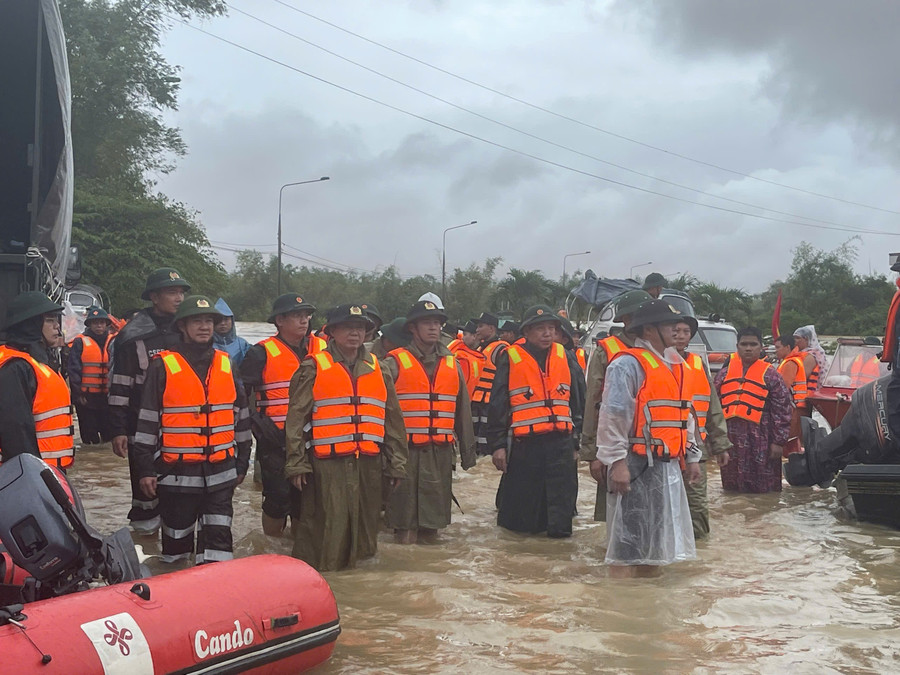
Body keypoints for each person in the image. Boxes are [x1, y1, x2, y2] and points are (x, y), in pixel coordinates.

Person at [284, 304, 408, 571]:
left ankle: (360, 586)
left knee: (366, 528)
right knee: (327, 527)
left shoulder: (379, 368)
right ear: (333, 332)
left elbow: (393, 421)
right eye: (348, 327)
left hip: (369, 463)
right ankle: (322, 579)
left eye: (360, 328)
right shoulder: (313, 366)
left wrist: (397, 462)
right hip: (327, 465)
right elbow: (295, 419)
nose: (355, 333)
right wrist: (296, 462)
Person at [132, 296, 251, 564]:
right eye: (197, 321)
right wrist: (146, 470)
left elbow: (241, 417)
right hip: (176, 478)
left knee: (219, 551)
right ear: (182, 326)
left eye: (209, 320)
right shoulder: (162, 366)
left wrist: (242, 462)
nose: (205, 326)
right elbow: (147, 422)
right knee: (176, 552)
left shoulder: (227, 364)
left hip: (221, 475)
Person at [596, 299, 701, 576]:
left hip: (667, 467)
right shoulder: (628, 365)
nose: (677, 331)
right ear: (649, 331)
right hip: (635, 464)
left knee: (657, 544)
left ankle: (647, 603)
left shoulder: (677, 364)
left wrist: (692, 457)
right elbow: (613, 416)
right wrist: (617, 463)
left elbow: (686, 417)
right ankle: (620, 606)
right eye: (669, 325)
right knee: (627, 545)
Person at [486, 305, 584, 538]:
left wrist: (577, 442)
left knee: (560, 512)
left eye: (551, 328)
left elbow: (578, 401)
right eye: (540, 329)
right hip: (524, 447)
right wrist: (498, 446)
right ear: (527, 332)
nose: (547, 333)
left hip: (560, 443)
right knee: (520, 517)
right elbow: (498, 404)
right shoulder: (510, 358)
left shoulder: (566, 357)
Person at [383, 300, 476, 543]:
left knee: (433, 524)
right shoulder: (392, 363)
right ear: (412, 328)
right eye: (427, 323)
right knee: (404, 525)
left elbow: (462, 412)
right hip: (404, 454)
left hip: (440, 454)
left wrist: (468, 453)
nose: (433, 328)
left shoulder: (451, 364)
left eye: (437, 323)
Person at [108, 267, 191, 534]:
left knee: (180, 496)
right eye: (171, 292)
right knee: (146, 492)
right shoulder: (133, 336)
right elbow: (120, 386)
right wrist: (118, 430)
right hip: (141, 429)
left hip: (181, 428)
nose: (178, 298)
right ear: (154, 297)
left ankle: (175, 557)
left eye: (181, 292)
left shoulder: (186, 331)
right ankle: (146, 552)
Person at [239, 293, 323, 537]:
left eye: (306, 315)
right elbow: (241, 396)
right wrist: (258, 426)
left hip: (314, 436)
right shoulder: (261, 353)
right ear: (280, 320)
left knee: (305, 500)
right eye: (297, 316)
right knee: (277, 499)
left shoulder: (323, 348)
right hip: (276, 438)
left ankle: (296, 549)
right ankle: (272, 548)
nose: (304, 320)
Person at [580, 289, 651, 522]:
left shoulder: (663, 350)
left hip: (654, 449)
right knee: (615, 517)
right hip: (614, 446)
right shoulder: (607, 350)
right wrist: (593, 453)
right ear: (627, 320)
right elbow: (593, 403)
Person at [673, 315, 731, 540]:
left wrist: (720, 445)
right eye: (675, 330)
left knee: (696, 503)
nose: (679, 336)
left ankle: (699, 551)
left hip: (697, 448)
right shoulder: (657, 363)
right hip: (664, 448)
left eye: (685, 331)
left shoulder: (698, 364)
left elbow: (713, 408)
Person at [0, 292, 74, 468]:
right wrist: (34, 477)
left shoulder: (36, 362)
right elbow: (17, 433)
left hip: (47, 471)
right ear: (30, 324)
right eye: (49, 320)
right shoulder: (16, 368)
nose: (57, 326)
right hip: (32, 474)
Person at [715, 327, 792, 493]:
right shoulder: (723, 374)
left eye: (753, 344)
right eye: (744, 344)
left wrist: (778, 442)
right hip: (731, 438)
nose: (748, 348)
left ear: (760, 347)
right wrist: (716, 442)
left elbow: (783, 410)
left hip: (761, 438)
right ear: (737, 347)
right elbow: (713, 410)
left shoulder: (772, 376)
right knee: (731, 488)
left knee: (764, 489)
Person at [68, 306, 113, 444]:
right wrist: (78, 395)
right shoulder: (80, 342)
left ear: (106, 324)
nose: (99, 325)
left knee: (108, 439)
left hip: (107, 398)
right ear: (89, 325)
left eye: (101, 322)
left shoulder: (113, 341)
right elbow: (74, 370)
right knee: (89, 440)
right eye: (95, 322)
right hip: (86, 399)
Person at [471, 312, 509, 454]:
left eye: (481, 326)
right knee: (475, 438)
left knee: (486, 439)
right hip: (477, 401)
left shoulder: (501, 349)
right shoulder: (480, 348)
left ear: (492, 329)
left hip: (491, 403)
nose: (477, 330)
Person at [774, 334, 807, 455]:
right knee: (794, 444)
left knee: (791, 443)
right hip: (796, 406)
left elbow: (783, 388)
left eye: (778, 347)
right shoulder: (790, 361)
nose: (775, 350)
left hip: (794, 408)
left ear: (787, 347)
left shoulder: (790, 363)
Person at [448, 319, 486, 399]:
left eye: (465, 335)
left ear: (474, 336)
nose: (462, 338)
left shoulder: (472, 356)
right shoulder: (462, 357)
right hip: (461, 402)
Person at [213, 298, 251, 370]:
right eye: (219, 320)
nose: (223, 323)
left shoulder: (243, 345)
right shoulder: (206, 346)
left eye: (226, 319)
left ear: (232, 321)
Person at [792, 325, 827, 396]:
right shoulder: (804, 353)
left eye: (798, 338)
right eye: (794, 338)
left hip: (813, 395)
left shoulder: (811, 355)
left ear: (807, 339)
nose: (795, 341)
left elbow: (802, 376)